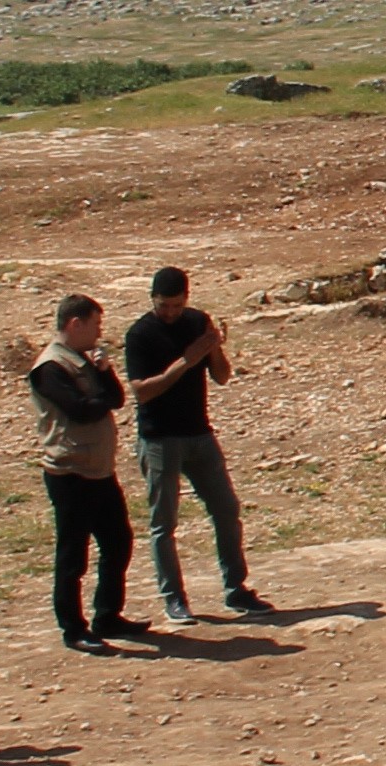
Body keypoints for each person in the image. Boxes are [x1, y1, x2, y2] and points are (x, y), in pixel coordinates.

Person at [121, 266, 273, 622]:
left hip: (199, 434)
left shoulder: (197, 322)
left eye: (176, 305)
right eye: (163, 306)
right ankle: (174, 598)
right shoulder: (140, 334)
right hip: (159, 439)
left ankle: (236, 589)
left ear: (186, 299)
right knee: (164, 523)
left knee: (226, 510)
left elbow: (221, 376)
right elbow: (142, 392)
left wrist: (213, 349)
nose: (170, 313)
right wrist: (185, 362)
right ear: (152, 300)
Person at [28, 295, 148, 649]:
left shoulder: (83, 360)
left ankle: (108, 616)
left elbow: (117, 398)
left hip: (98, 471)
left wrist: (106, 373)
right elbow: (80, 410)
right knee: (73, 555)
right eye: (95, 324)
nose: (100, 332)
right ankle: (73, 629)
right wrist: (102, 398)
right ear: (74, 324)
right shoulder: (49, 368)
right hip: (70, 473)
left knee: (118, 541)